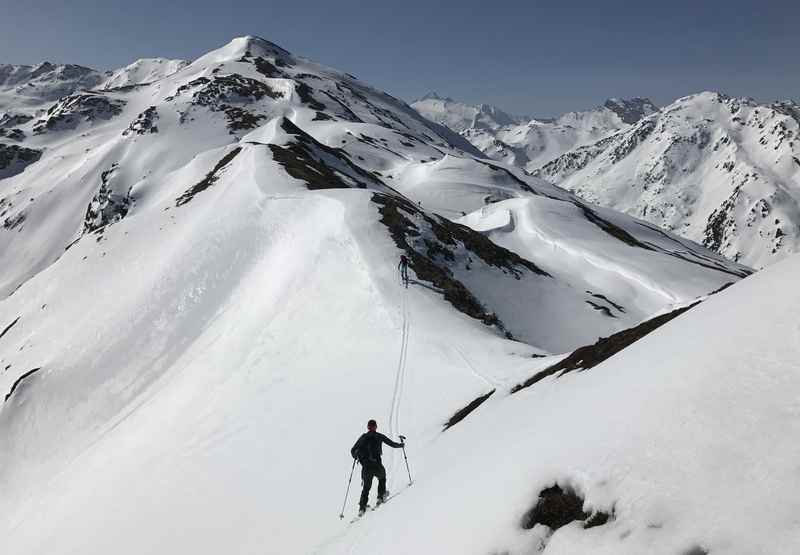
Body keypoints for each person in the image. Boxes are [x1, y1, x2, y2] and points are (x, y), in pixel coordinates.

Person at [350, 419, 405, 516]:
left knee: (366, 488)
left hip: (366, 467)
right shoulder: (379, 436)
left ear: (368, 427)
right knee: (382, 478)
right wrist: (401, 445)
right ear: (375, 427)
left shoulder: (363, 437)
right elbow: (391, 443)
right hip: (377, 465)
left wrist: (356, 456)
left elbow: (352, 450)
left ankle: (362, 508)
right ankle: (380, 496)